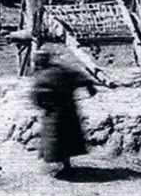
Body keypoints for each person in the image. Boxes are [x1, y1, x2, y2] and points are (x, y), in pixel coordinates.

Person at [30, 47, 94, 176]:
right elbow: (81, 77)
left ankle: (64, 168)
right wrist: (90, 87)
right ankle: (65, 165)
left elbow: (37, 94)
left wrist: (40, 104)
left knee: (58, 139)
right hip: (67, 110)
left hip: (55, 112)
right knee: (66, 139)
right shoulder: (60, 70)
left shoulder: (44, 75)